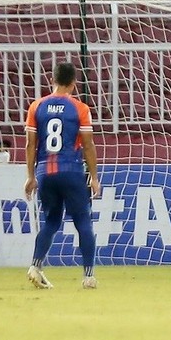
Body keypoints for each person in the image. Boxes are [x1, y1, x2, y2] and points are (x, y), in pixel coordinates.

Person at [24, 62, 100, 290]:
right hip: (72, 170)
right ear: (74, 84)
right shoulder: (80, 108)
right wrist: (94, 177)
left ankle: (35, 266)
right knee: (83, 221)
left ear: (52, 81)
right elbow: (88, 145)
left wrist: (30, 176)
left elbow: (30, 144)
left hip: (45, 171)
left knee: (51, 221)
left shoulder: (36, 106)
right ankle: (88, 276)